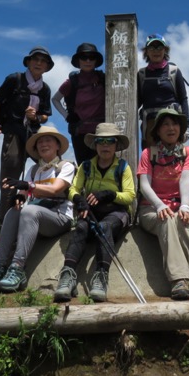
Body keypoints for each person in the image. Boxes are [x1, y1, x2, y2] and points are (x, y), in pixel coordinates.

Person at [0, 126, 75, 292]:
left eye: (48, 140)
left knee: (29, 211)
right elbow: (23, 191)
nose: (44, 144)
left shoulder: (66, 166)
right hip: (38, 214)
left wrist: (27, 185)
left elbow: (55, 189)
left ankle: (17, 268)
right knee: (13, 211)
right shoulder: (34, 169)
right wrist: (20, 196)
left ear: (58, 146)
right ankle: (0, 265)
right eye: (40, 142)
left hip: (60, 216)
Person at [53, 123, 136, 303]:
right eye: (101, 141)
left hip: (117, 213)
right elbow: (73, 188)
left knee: (105, 227)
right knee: (81, 228)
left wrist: (110, 194)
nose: (105, 145)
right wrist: (78, 200)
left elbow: (130, 196)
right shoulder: (86, 166)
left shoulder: (123, 167)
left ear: (116, 145)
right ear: (95, 144)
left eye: (110, 141)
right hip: (91, 213)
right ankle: (67, 276)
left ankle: (101, 277)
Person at [137, 108, 189, 300]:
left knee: (184, 221)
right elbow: (144, 185)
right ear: (158, 131)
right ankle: (179, 280)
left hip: (177, 206)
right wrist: (159, 206)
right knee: (168, 220)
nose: (171, 128)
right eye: (165, 124)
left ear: (181, 128)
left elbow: (185, 180)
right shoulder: (148, 153)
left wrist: (185, 206)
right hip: (150, 209)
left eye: (175, 123)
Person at [0, 46, 54, 225]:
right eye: (36, 59)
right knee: (10, 180)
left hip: (32, 134)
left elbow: (45, 115)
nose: (39, 63)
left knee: (50, 167)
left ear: (47, 66)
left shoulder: (45, 89)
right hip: (13, 132)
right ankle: (5, 228)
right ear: (29, 62)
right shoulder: (15, 79)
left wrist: (36, 116)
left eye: (43, 61)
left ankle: (47, 214)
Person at [52, 43, 106, 165]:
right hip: (79, 132)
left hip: (101, 132)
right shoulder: (72, 82)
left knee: (103, 166)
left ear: (96, 61)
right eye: (84, 57)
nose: (88, 60)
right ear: (78, 60)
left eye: (91, 57)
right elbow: (55, 99)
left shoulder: (104, 79)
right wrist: (67, 116)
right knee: (84, 167)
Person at [137, 34, 189, 149]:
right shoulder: (141, 74)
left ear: (165, 50)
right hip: (150, 124)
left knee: (173, 159)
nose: (156, 51)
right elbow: (137, 102)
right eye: (152, 48)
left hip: (171, 123)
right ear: (146, 51)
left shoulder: (174, 71)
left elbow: (183, 99)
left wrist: (187, 126)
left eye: (159, 47)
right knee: (151, 159)